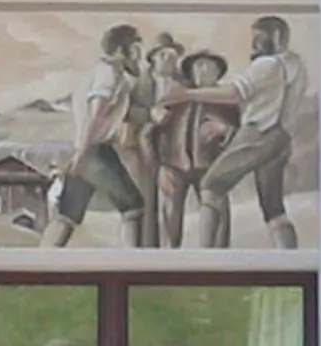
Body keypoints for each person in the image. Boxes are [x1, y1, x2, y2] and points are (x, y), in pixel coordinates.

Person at [160, 16, 305, 249]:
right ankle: (288, 256)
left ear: (276, 37)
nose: (254, 44)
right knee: (274, 210)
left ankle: (207, 257)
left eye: (259, 38)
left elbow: (236, 94)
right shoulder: (294, 64)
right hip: (280, 138)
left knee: (211, 185)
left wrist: (188, 96)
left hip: (260, 131)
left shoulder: (267, 65)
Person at [41, 25, 146, 248]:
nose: (139, 55)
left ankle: (37, 265)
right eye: (135, 49)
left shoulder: (107, 73)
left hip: (88, 149)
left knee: (66, 216)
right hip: (94, 151)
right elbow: (95, 116)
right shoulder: (108, 74)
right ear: (120, 50)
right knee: (133, 207)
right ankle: (132, 266)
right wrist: (81, 155)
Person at [149, 44, 240, 248]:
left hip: (212, 166)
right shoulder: (176, 95)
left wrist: (225, 130)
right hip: (174, 164)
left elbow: (242, 133)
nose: (202, 71)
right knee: (169, 216)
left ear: (218, 73)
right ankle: (168, 263)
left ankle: (218, 265)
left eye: (209, 67)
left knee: (217, 214)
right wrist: (155, 115)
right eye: (198, 66)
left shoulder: (227, 101)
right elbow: (155, 126)